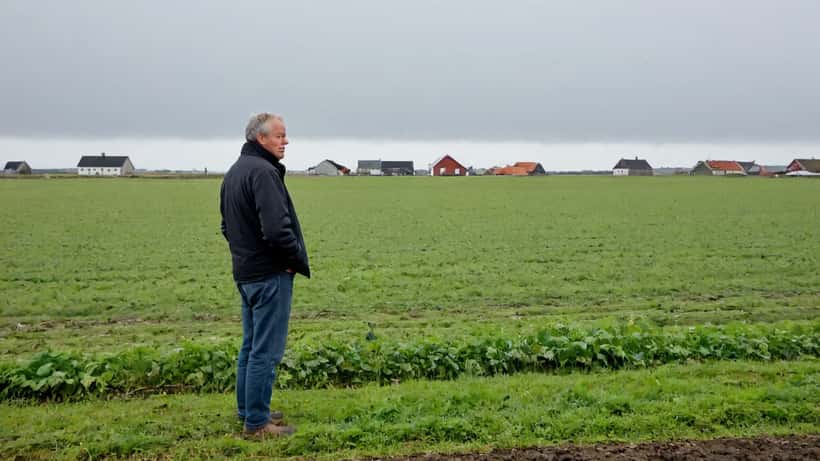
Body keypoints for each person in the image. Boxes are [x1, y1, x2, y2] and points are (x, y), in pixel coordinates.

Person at [219, 113, 310, 437]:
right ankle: (257, 424)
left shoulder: (235, 172)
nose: (285, 142)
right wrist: (292, 259)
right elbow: (276, 230)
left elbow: (227, 228)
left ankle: (249, 410)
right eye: (279, 136)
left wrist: (248, 257)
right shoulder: (264, 172)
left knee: (250, 346)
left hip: (246, 274)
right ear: (261, 139)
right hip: (269, 275)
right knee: (266, 351)